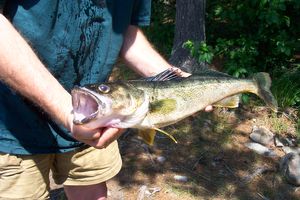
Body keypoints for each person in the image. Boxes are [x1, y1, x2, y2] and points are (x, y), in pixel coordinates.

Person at [0, 1, 212, 199]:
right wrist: (66, 110)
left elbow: (124, 30)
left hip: (98, 114)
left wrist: (175, 83)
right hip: (11, 121)